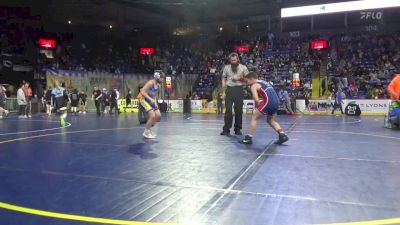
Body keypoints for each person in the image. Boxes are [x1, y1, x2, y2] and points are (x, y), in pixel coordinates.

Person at [240, 72, 288, 145]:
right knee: (270, 120)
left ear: (252, 79)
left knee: (254, 118)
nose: (247, 83)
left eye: (247, 81)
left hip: (269, 102)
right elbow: (267, 93)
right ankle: (282, 135)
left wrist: (258, 102)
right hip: (276, 102)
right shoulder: (263, 82)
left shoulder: (254, 85)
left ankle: (248, 138)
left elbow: (256, 99)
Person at [221, 52, 249, 135]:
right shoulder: (226, 68)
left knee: (238, 111)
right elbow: (223, 80)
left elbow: (248, 79)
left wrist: (239, 78)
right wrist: (223, 91)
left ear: (238, 60)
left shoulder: (243, 68)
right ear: (230, 60)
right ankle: (226, 129)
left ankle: (237, 129)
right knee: (228, 110)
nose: (233, 61)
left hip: (239, 90)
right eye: (232, 60)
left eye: (234, 60)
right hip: (229, 90)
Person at [137, 71, 164, 139]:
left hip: (149, 100)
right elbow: (142, 91)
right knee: (152, 115)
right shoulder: (150, 83)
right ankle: (146, 133)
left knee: (158, 115)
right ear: (157, 77)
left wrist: (155, 103)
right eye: (162, 78)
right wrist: (150, 99)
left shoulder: (158, 85)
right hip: (142, 99)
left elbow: (153, 95)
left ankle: (149, 129)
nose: (163, 80)